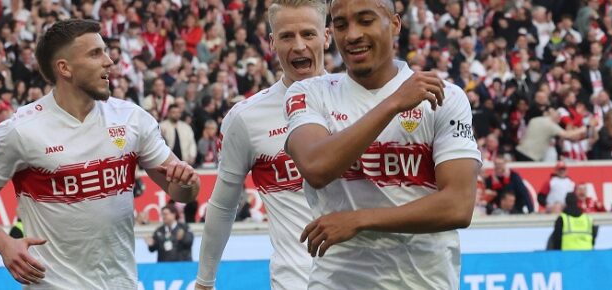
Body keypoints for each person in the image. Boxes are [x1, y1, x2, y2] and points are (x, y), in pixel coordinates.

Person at [0, 19, 201, 289]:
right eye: (95, 53)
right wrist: (5, 244)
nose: (109, 61)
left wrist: (187, 182)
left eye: (105, 51)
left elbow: (182, 192)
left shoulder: (132, 119)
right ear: (65, 68)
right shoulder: (20, 130)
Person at [284, 0, 481, 288]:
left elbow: (458, 206)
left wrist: (359, 220)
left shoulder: (445, 96)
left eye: (366, 21)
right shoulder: (309, 93)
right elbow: (316, 167)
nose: (352, 35)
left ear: (395, 24)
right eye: (341, 25)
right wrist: (393, 103)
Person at [196, 0, 330, 287]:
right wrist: (204, 281)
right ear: (271, 43)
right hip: (295, 281)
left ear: (327, 37)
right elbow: (222, 206)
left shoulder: (359, 104)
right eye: (286, 36)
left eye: (308, 34)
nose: (299, 46)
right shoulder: (245, 118)